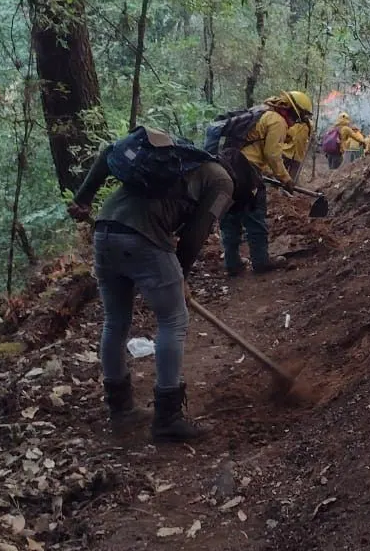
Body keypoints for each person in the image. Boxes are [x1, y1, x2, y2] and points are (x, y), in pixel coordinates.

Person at [69, 131, 260, 442]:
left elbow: (107, 152)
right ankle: (168, 418)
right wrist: (180, 274)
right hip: (142, 236)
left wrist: (83, 198)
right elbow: (196, 234)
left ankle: (120, 409)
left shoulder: (189, 159)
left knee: (116, 321)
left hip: (105, 231)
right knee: (174, 319)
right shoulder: (223, 182)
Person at [220, 90, 314, 277]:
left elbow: (258, 150)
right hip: (247, 172)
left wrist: (271, 173)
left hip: (225, 167)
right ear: (292, 110)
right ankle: (261, 262)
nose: (297, 121)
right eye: (299, 117)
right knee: (255, 217)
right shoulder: (277, 120)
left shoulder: (259, 112)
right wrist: (286, 179)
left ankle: (232, 263)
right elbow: (272, 154)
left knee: (230, 216)